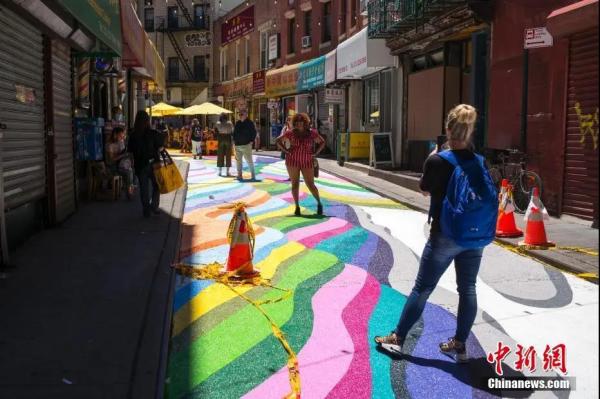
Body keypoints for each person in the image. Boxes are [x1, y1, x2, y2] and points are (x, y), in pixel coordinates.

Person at [374, 104, 495, 363]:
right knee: (468, 289)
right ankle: (460, 345)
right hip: (475, 236)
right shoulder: (480, 161)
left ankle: (398, 338)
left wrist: (433, 156)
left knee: (423, 288)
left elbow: (425, 189)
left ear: (448, 128)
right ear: (470, 131)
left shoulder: (438, 159)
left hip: (445, 234)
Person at [276, 113, 325, 216]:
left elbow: (322, 142)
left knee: (310, 184)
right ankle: (297, 206)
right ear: (294, 123)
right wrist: (286, 151)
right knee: (295, 184)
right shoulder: (290, 133)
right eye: (297, 122)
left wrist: (315, 153)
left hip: (307, 161)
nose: (299, 124)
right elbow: (278, 140)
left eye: (301, 122)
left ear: (305, 123)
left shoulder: (312, 133)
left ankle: (319, 203)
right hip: (292, 161)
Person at [128, 110, 164, 217]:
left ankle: (146, 210)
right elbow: (161, 147)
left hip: (140, 165)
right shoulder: (153, 133)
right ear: (147, 121)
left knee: (143, 188)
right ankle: (154, 206)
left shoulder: (133, 135)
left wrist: (132, 164)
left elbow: (130, 151)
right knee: (157, 185)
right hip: (154, 164)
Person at [106, 126, 135, 198]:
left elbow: (123, 153)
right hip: (112, 167)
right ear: (115, 135)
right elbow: (111, 160)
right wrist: (123, 155)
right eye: (121, 135)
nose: (122, 137)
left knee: (131, 170)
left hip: (119, 165)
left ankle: (129, 187)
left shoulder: (120, 142)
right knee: (128, 172)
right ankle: (129, 190)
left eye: (123, 135)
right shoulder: (110, 145)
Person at [233, 109, 257, 181]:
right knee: (238, 161)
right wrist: (234, 142)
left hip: (246, 144)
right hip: (238, 145)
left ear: (246, 114)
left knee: (249, 161)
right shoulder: (237, 123)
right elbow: (234, 133)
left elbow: (254, 132)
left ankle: (253, 175)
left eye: (241, 114)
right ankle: (239, 175)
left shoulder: (250, 123)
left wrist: (251, 141)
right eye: (239, 114)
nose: (240, 116)